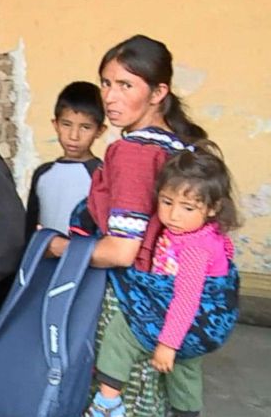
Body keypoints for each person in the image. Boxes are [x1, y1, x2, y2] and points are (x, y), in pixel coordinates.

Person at [47, 34, 210, 417]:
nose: (110, 97)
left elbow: (122, 250)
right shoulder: (181, 147)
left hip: (129, 302)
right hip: (169, 301)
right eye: (106, 83)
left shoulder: (133, 152)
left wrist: (54, 247)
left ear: (157, 93)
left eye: (126, 85)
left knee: (122, 401)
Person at [85, 145, 239, 417]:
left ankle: (107, 403)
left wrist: (168, 344)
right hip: (198, 331)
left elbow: (187, 299)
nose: (174, 215)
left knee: (122, 332)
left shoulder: (195, 248)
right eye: (166, 202)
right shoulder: (202, 233)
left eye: (188, 207)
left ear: (213, 208)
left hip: (191, 321)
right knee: (185, 369)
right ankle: (186, 413)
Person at [25, 81, 106, 239]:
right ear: (55, 125)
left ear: (100, 131)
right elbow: (29, 227)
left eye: (85, 127)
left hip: (82, 261)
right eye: (66, 124)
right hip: (42, 260)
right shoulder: (42, 174)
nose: (74, 136)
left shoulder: (101, 174)